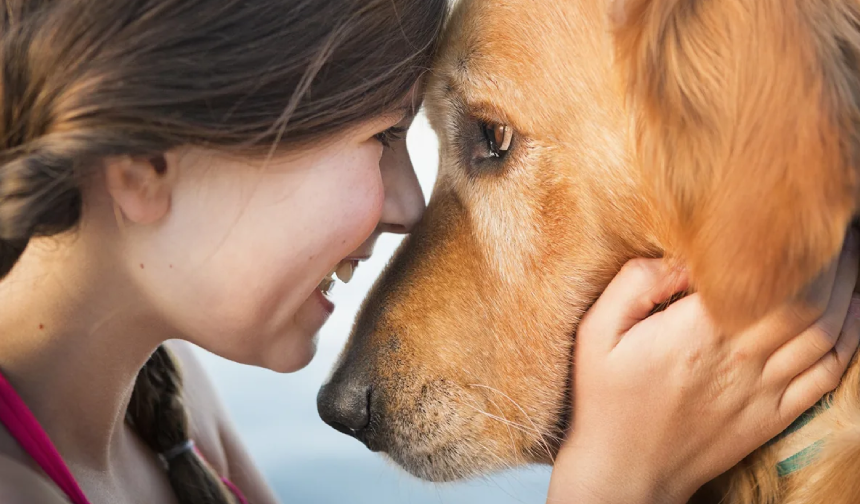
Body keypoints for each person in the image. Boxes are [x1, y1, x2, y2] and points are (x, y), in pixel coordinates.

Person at [0, 1, 856, 503]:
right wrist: (614, 483)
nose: (407, 207)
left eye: (486, 138)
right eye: (379, 139)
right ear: (149, 164)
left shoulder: (166, 409)